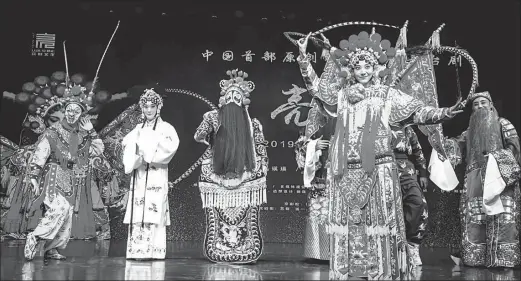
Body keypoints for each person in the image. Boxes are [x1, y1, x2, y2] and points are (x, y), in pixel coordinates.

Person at [296, 31, 463, 279]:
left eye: (368, 66)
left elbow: (418, 112)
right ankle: (350, 267)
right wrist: (303, 58)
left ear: (376, 68)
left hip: (379, 168)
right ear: (350, 70)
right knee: (351, 221)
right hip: (344, 170)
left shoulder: (387, 94)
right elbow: (316, 88)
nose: (362, 71)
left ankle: (380, 267)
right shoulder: (342, 95)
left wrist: (445, 113)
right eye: (357, 67)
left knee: (379, 221)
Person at [194, 69, 269, 264]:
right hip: (217, 175)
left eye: (237, 97)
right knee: (218, 216)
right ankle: (220, 248)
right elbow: (198, 137)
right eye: (229, 96)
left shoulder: (253, 125)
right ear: (223, 100)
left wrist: (262, 169)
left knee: (246, 215)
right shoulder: (214, 118)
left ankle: (245, 248)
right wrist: (209, 122)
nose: (233, 100)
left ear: (244, 101)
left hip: (245, 174)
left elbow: (261, 151)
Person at [23, 85, 105, 260]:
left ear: (81, 114)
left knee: (67, 213)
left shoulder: (83, 135)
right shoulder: (54, 131)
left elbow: (98, 150)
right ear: (64, 111)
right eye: (69, 110)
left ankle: (52, 248)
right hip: (52, 174)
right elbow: (41, 153)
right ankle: (35, 236)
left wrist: (91, 130)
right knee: (58, 208)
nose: (72, 113)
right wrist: (33, 177)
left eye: (76, 111)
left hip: (69, 176)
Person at [441, 91, 520, 268]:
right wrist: (443, 143)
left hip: (500, 176)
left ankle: (503, 258)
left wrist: (496, 161)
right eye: (476, 104)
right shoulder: (470, 131)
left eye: (483, 103)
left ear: (491, 105)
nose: (480, 106)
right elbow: (456, 147)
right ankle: (476, 258)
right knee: (476, 217)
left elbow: (514, 148)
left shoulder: (503, 124)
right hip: (474, 178)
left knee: (504, 216)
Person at [122, 88, 179, 260]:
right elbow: (126, 144)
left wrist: (150, 147)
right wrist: (137, 153)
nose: (148, 110)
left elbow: (171, 147)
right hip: (140, 174)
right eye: (145, 106)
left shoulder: (166, 128)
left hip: (156, 174)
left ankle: (155, 251)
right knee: (139, 209)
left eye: (152, 106)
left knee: (155, 209)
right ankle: (137, 250)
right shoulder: (137, 128)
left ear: (158, 107)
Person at [391, 126, 429, 266]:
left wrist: (423, 173)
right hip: (383, 166)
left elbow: (418, 150)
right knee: (389, 205)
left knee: (418, 202)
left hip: (406, 167)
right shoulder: (377, 120)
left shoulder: (407, 127)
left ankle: (413, 245)